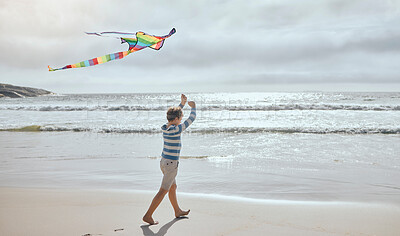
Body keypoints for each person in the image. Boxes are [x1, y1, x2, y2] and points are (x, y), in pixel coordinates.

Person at [143, 94, 196, 225]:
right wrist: (194, 107)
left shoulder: (166, 127)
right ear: (178, 119)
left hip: (164, 162)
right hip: (171, 165)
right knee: (163, 190)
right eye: (180, 118)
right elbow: (191, 119)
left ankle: (177, 211)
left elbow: (174, 115)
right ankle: (148, 215)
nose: (181, 120)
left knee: (172, 187)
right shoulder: (177, 129)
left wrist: (182, 104)